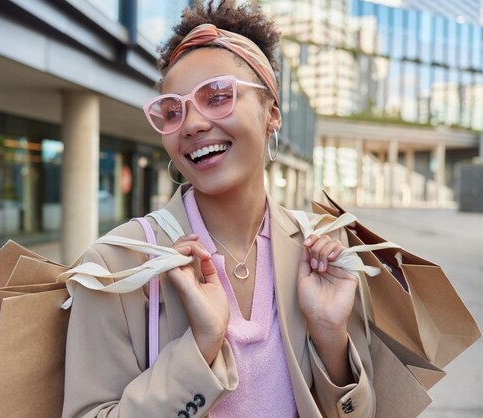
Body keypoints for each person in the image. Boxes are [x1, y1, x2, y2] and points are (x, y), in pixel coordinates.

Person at [62, 1, 375, 417]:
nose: (191, 124)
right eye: (173, 111)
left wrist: (330, 334)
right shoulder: (118, 265)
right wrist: (200, 348)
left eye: (218, 97)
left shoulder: (324, 249)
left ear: (272, 114)